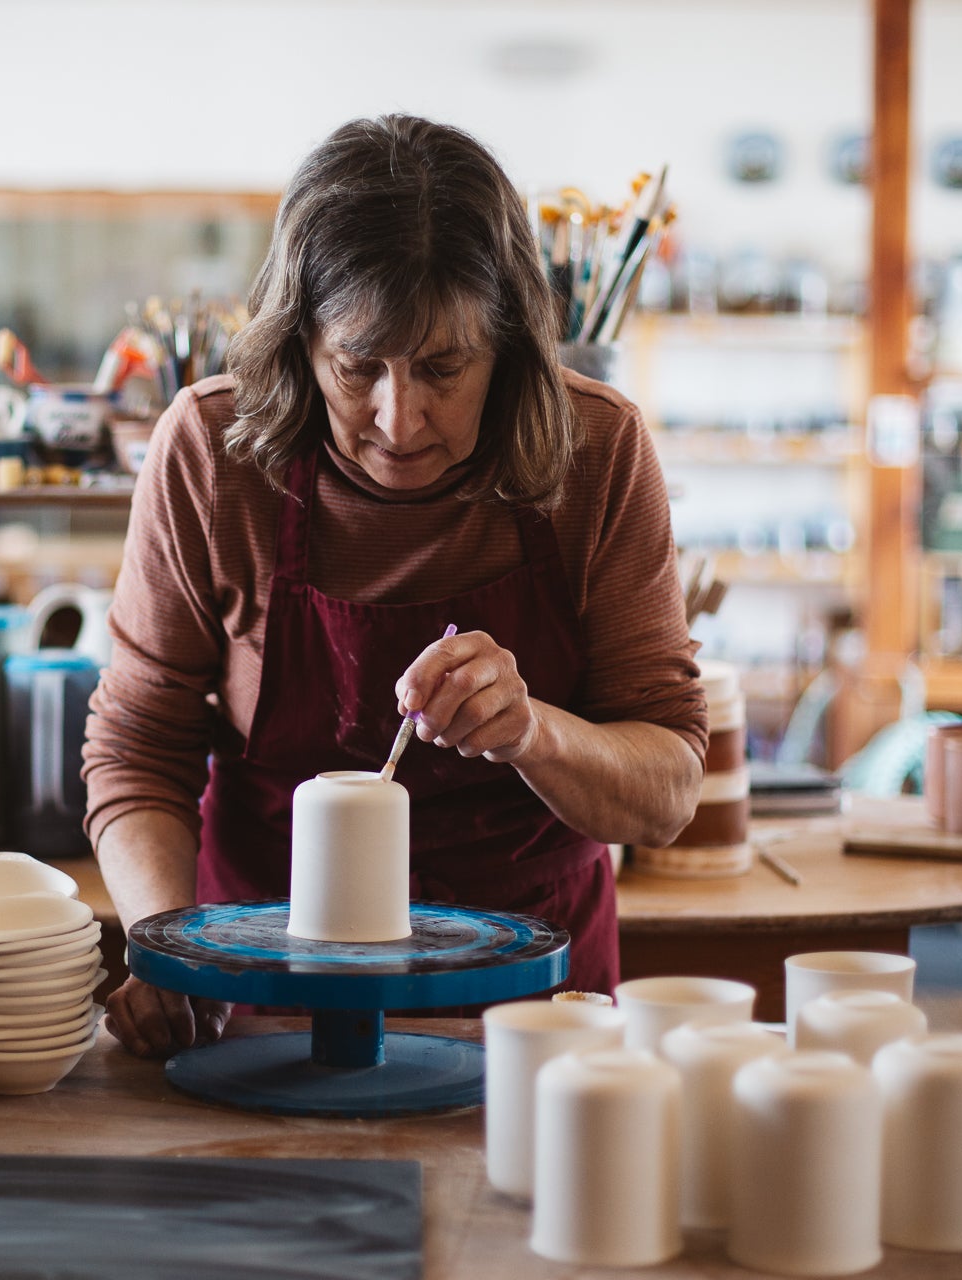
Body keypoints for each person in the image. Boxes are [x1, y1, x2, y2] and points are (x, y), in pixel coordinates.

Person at [84, 114, 708, 1058]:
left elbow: (666, 793)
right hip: (267, 1006)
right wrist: (170, 953)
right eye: (356, 367)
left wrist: (535, 731)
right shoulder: (215, 455)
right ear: (298, 343)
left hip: (533, 1020)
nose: (399, 418)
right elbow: (137, 750)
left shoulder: (598, 453)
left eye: (444, 368)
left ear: (512, 347)